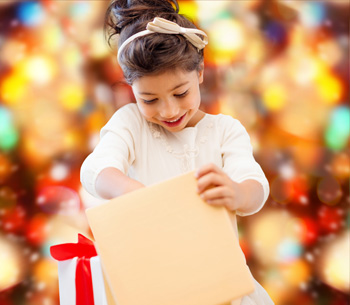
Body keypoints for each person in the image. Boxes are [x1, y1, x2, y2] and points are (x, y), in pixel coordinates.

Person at [80, 1, 274, 304]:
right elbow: (95, 171)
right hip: (157, 287)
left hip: (222, 286)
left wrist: (237, 193)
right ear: (131, 89)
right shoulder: (131, 124)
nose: (168, 110)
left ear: (199, 72)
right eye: (149, 99)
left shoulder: (224, 130)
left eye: (180, 93)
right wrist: (139, 195)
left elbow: (255, 187)